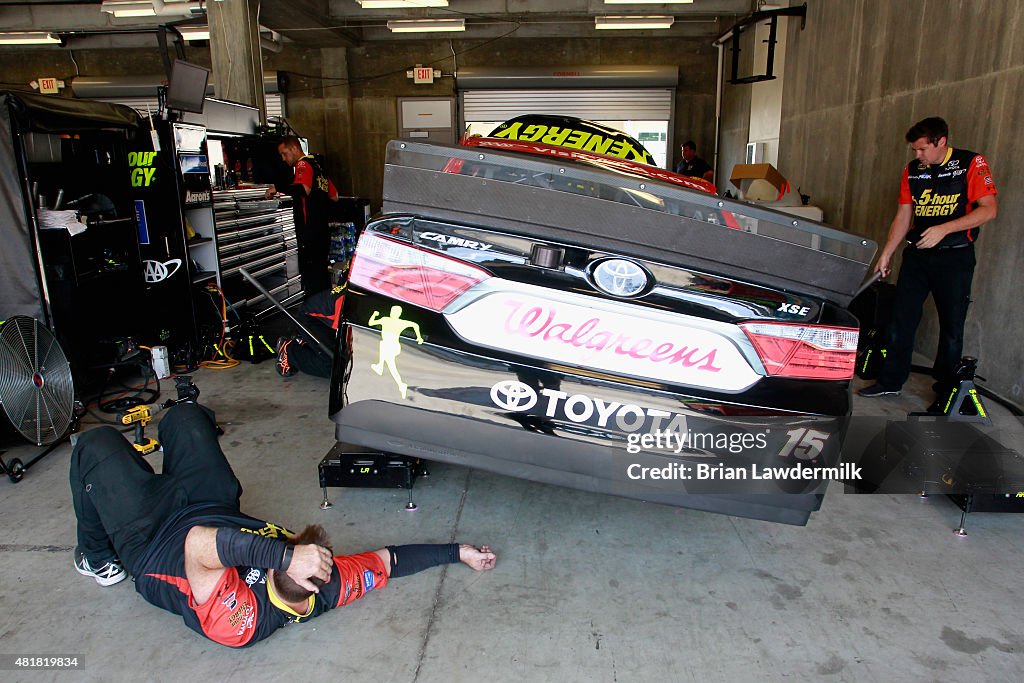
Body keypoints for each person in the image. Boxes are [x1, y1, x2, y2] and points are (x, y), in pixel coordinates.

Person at [70, 402, 496, 647]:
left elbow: (199, 545)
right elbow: (389, 561)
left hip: (152, 537)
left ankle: (97, 558)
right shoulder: (328, 586)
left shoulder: (240, 622)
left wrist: (286, 554)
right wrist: (457, 552)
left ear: (286, 569)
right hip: (210, 506)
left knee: (97, 444)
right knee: (186, 417)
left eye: (293, 552)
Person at [859, 117, 997, 404]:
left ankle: (946, 391)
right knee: (901, 319)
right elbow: (904, 215)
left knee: (952, 326)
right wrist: (887, 252)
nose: (917, 156)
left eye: (922, 150)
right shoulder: (913, 171)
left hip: (955, 257)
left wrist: (944, 228)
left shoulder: (971, 163)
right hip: (918, 256)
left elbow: (988, 210)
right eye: (914, 151)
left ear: (941, 142)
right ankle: (890, 381)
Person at [265, 136, 340, 296]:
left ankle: (314, 313)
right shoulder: (318, 168)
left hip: (309, 232)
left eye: (284, 154)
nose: (283, 159)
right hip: (322, 231)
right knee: (322, 274)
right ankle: (325, 310)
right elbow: (334, 196)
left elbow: (302, 189)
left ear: (294, 149)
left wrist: (276, 188)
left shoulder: (302, 164)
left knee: (312, 278)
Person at [276, 283, 347, 378]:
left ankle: (305, 342)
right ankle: (290, 351)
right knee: (337, 369)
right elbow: (344, 334)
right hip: (311, 318)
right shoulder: (347, 301)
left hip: (325, 319)